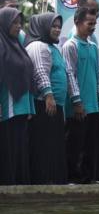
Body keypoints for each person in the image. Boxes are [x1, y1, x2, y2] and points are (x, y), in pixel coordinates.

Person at [25, 13, 73, 185]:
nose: (57, 29)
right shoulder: (38, 46)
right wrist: (48, 94)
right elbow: (40, 71)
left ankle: (54, 181)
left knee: (54, 145)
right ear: (43, 26)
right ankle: (43, 181)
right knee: (44, 144)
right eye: (54, 26)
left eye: (59, 26)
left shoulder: (54, 48)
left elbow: (66, 73)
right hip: (43, 103)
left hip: (55, 104)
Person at [63, 7, 99, 183]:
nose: (93, 27)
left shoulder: (94, 47)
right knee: (75, 143)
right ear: (77, 23)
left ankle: (88, 178)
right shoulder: (70, 46)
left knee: (90, 144)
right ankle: (73, 178)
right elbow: (69, 74)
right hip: (77, 106)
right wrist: (76, 100)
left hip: (93, 105)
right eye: (90, 23)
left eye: (95, 23)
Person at [0, 8, 36, 185]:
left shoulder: (18, 45)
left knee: (20, 147)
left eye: (19, 22)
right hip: (8, 107)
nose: (18, 26)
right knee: (9, 147)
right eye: (14, 22)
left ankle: (18, 186)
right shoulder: (1, 44)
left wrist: (29, 105)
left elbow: (27, 75)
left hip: (21, 107)